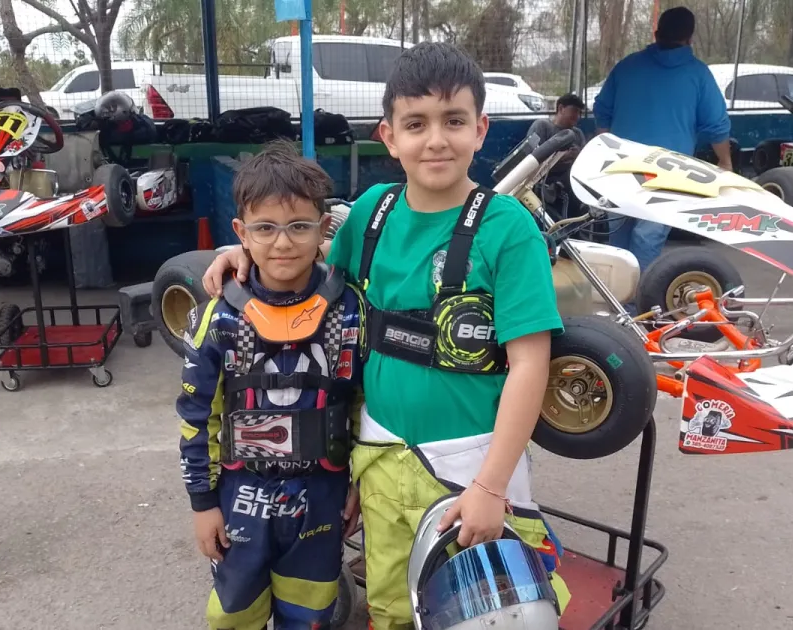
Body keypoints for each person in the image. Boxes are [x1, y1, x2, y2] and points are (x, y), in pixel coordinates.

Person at [199, 41, 571, 629]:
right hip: (378, 457)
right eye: (416, 124)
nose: (435, 140)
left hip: (469, 465)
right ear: (389, 137)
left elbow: (530, 364)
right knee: (392, 606)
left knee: (491, 613)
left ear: (480, 129)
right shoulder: (373, 212)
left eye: (454, 121)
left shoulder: (508, 230)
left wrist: (492, 487)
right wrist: (241, 251)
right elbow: (304, 260)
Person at [177, 141, 365, 629]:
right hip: (241, 496)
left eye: (299, 226)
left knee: (310, 615)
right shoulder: (217, 318)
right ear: (241, 233)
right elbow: (196, 417)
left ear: (324, 228)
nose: (282, 243)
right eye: (265, 228)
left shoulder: (351, 310)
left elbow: (364, 405)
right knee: (233, 616)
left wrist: (361, 483)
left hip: (322, 495)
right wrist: (202, 503)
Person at [592, 6, 732, 277]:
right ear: (690, 38)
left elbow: (602, 111)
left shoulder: (627, 66)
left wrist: (604, 149)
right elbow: (716, 124)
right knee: (648, 237)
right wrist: (725, 162)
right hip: (669, 171)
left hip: (619, 165)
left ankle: (614, 294)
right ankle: (640, 298)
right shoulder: (698, 74)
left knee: (617, 234)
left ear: (656, 34)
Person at [526, 93, 587, 221]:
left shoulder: (577, 133)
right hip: (546, 179)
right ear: (561, 108)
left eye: (579, 113)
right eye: (574, 111)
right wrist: (562, 156)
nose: (577, 116)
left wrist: (577, 156)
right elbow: (531, 159)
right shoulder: (542, 126)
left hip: (572, 179)